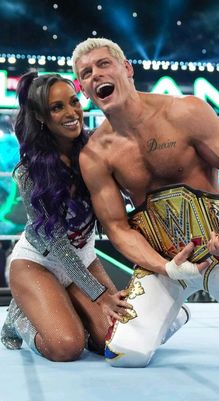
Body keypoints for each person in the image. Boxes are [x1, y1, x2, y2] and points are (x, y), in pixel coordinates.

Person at [72, 37, 219, 367]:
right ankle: (174, 315)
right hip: (162, 261)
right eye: (86, 72)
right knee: (123, 354)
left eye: (104, 64)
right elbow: (117, 227)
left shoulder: (185, 111)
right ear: (84, 90)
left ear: (126, 69)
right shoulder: (94, 155)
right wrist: (166, 267)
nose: (96, 75)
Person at [0, 71, 132, 361]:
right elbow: (58, 245)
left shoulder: (95, 152)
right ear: (41, 118)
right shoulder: (28, 172)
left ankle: (66, 305)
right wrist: (98, 295)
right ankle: (19, 320)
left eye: (73, 102)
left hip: (83, 260)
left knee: (115, 342)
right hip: (38, 263)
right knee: (66, 346)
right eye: (57, 107)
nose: (72, 113)